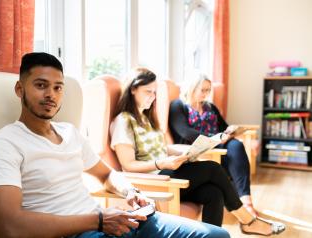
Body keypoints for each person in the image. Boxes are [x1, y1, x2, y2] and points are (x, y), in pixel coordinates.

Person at [0, 52, 230, 238]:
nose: (51, 94)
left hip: (114, 222)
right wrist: (98, 221)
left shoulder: (69, 132)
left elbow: (107, 174)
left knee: (216, 235)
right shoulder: (6, 143)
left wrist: (130, 192)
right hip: (80, 232)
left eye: (57, 87)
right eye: (41, 85)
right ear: (20, 89)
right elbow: (9, 227)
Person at [110, 67, 285, 236]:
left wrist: (187, 151)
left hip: (164, 171)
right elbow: (128, 165)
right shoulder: (123, 121)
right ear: (133, 89)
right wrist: (162, 162)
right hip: (152, 180)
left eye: (155, 92)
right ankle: (248, 221)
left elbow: (161, 149)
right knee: (213, 168)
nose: (153, 97)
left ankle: (221, 232)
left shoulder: (146, 118)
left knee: (214, 194)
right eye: (148, 91)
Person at [168, 74, 257, 216]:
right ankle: (240, 204)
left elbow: (224, 127)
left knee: (236, 145)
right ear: (191, 88)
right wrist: (214, 138)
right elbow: (185, 132)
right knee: (234, 151)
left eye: (208, 90)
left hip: (217, 145)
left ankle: (246, 201)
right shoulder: (178, 105)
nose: (206, 94)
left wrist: (230, 131)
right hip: (196, 148)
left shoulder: (210, 107)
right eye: (202, 90)